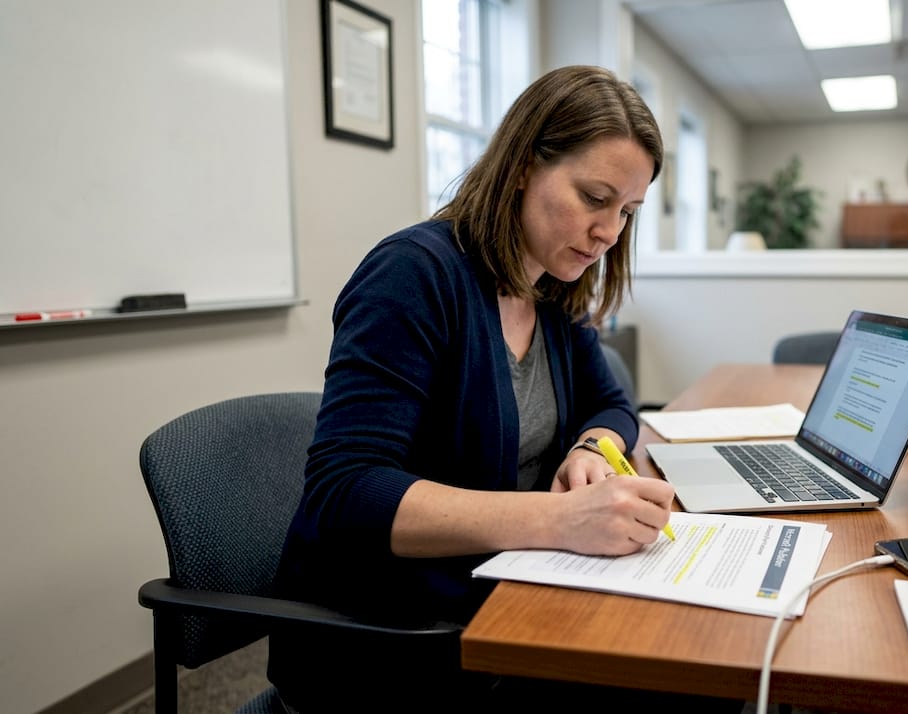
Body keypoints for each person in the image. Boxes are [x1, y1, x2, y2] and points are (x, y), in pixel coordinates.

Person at [267, 65, 717, 712]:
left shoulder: (552, 293)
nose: (610, 233)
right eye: (594, 198)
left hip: (502, 597)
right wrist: (560, 520)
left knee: (692, 663)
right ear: (520, 168)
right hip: (391, 641)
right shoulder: (413, 276)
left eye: (627, 211)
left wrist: (590, 448)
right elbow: (346, 493)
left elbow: (613, 403)